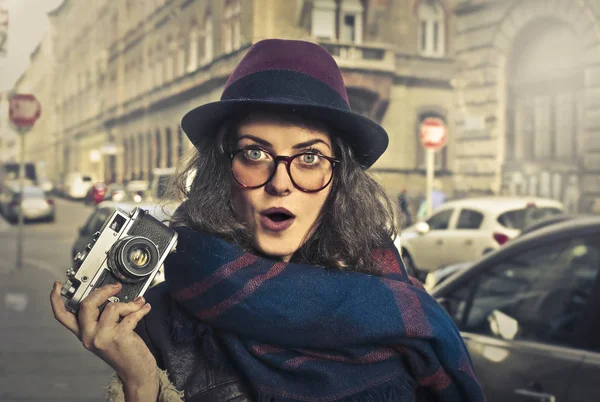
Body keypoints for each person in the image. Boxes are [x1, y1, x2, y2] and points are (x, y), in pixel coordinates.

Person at [51, 39, 484, 402]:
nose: (281, 183)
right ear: (223, 172)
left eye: (309, 157)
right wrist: (141, 382)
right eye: (255, 153)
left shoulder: (396, 303)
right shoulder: (156, 317)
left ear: (339, 179)